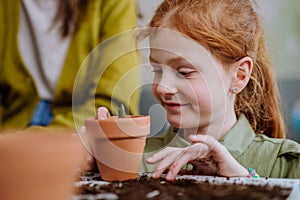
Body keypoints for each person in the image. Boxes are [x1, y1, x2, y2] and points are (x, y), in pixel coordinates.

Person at [98, 0, 300, 179]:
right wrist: (94, 169)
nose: (162, 86)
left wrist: (243, 181)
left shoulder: (286, 166)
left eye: (184, 72)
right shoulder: (134, 159)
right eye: (157, 70)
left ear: (239, 76)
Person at [0, 0, 140, 134]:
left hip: (80, 127)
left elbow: (116, 106)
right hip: (10, 129)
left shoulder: (115, 3)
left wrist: (33, 139)